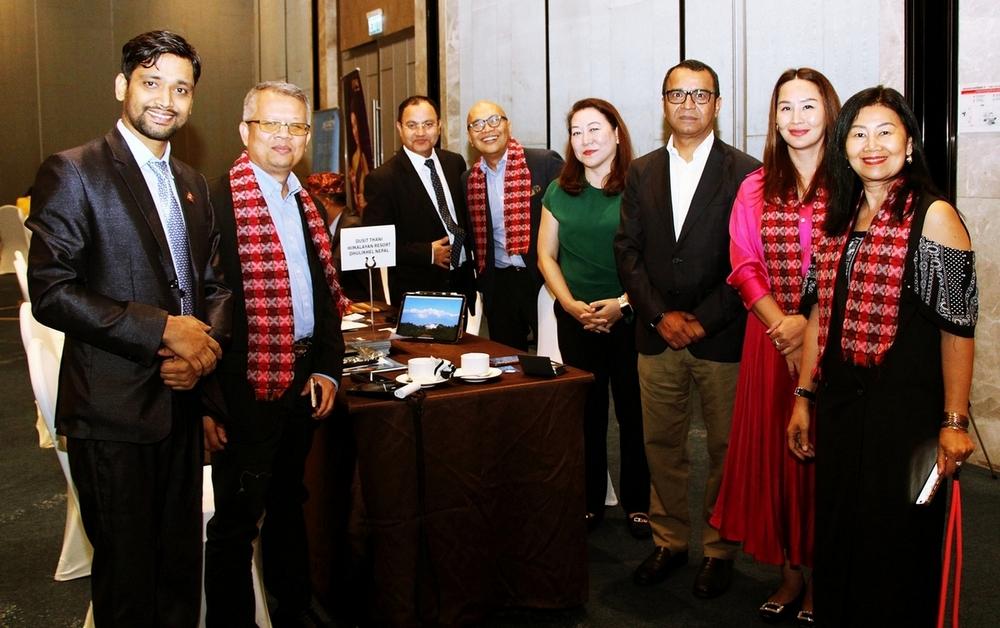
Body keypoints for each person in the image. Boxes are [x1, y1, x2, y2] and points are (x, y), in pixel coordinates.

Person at [25, 31, 230, 626]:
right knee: (129, 588)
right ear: (122, 86)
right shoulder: (74, 171)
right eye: (152, 82)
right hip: (114, 412)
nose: (166, 99)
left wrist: (200, 355)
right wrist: (162, 331)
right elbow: (53, 291)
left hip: (183, 406)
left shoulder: (192, 182)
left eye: (181, 89)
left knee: (179, 577)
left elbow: (215, 286)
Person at [786, 86, 977, 627]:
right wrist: (803, 397)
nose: (872, 145)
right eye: (859, 134)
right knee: (841, 532)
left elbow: (958, 329)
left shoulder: (935, 217)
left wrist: (954, 422)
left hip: (906, 414)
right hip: (843, 404)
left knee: (895, 543)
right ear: (843, 147)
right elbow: (819, 313)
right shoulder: (838, 217)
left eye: (886, 132)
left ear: (909, 144)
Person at [203, 81, 348, 627]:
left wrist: (328, 368)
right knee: (238, 521)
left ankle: (294, 610)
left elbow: (324, 295)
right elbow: (194, 308)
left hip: (303, 378)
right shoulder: (214, 203)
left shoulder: (306, 203)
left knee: (290, 502)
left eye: (296, 126)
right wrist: (207, 403)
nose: (284, 137)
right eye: (272, 124)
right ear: (245, 131)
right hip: (241, 386)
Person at [614, 59, 760, 597]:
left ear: (717, 104)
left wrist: (704, 318)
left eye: (700, 95)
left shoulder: (746, 171)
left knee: (725, 448)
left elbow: (750, 256)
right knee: (661, 443)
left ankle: (720, 549)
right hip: (656, 335)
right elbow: (627, 251)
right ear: (664, 104)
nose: (689, 104)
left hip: (721, 333)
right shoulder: (641, 170)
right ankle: (670, 541)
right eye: (678, 94)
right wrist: (659, 315)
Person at [709, 68, 840, 624]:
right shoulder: (756, 186)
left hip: (833, 341)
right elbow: (743, 262)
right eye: (786, 108)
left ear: (830, 112)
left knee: (825, 460)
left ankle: (825, 575)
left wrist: (806, 326)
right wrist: (781, 324)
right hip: (768, 339)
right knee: (778, 460)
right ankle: (789, 572)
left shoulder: (851, 182)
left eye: (809, 106)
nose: (797, 118)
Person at [537, 98, 650, 537]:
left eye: (595, 129)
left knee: (634, 411)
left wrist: (622, 304)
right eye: (576, 132)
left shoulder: (640, 186)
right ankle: (589, 501)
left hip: (630, 317)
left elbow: (653, 258)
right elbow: (546, 256)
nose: (585, 140)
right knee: (587, 412)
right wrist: (568, 304)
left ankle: (639, 502)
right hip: (575, 317)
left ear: (617, 134)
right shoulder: (558, 190)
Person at [462, 100, 564, 349]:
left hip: (542, 278)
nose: (487, 129)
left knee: (554, 355)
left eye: (494, 120)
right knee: (507, 358)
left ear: (508, 126)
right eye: (477, 124)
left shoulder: (543, 163)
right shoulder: (469, 180)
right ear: (470, 137)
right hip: (499, 284)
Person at [362, 95, 475, 308]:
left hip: (462, 282)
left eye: (428, 124)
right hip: (418, 291)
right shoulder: (382, 179)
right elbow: (376, 245)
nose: (421, 132)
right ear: (399, 128)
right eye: (412, 125)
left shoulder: (454, 162)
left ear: (439, 126)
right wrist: (427, 253)